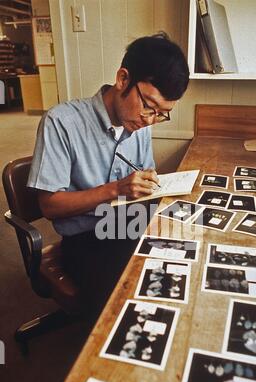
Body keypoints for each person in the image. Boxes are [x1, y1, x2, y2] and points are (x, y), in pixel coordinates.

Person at [27, 33, 190, 317]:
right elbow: (49, 205)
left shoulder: (141, 124)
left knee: (181, 261)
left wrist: (150, 187)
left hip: (129, 223)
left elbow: (143, 183)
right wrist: (116, 189)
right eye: (149, 107)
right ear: (123, 79)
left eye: (161, 114)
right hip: (86, 240)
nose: (150, 120)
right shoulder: (61, 122)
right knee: (128, 302)